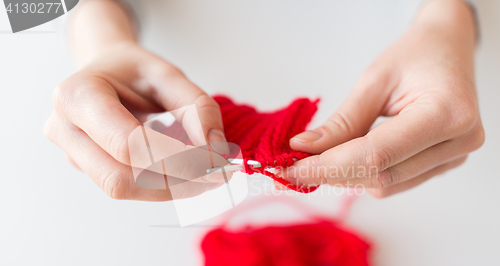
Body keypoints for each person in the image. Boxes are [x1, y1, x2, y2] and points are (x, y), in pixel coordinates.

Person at [44, 0, 485, 200]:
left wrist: (450, 20)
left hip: (429, 96)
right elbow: (28, 8)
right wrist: (102, 41)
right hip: (154, 94)